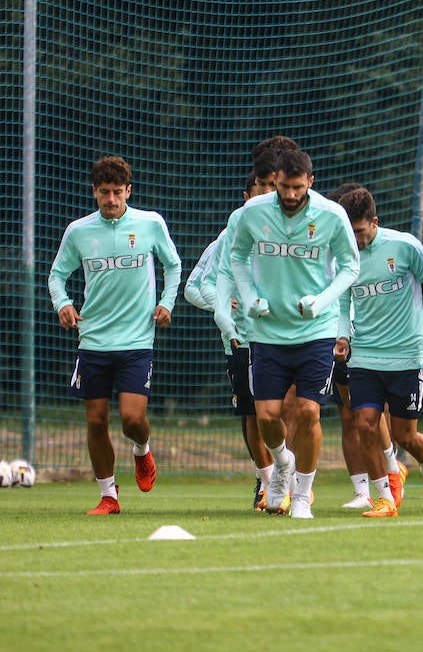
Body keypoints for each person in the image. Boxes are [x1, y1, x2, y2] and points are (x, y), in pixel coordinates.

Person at [230, 148, 360, 519]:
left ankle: (302, 495)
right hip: (267, 332)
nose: (290, 195)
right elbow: (237, 257)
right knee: (268, 417)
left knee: (308, 411)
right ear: (275, 184)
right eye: (284, 187)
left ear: (310, 183)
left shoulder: (332, 216)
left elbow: (350, 268)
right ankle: (282, 463)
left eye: (297, 188)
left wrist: (322, 302)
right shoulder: (251, 214)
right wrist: (250, 296)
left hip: (315, 331)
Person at [48, 156, 182, 515]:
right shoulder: (78, 231)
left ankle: (142, 450)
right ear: (94, 192)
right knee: (95, 420)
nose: (111, 199)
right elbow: (57, 275)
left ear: (128, 191)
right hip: (93, 339)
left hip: (138, 340)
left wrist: (167, 302)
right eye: (104, 192)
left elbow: (173, 264)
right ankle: (109, 495)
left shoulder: (150, 224)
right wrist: (62, 302)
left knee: (133, 420)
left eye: (117, 192)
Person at [335, 186, 423, 517]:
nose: (355, 239)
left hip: (406, 356)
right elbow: (343, 301)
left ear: (375, 222)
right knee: (365, 423)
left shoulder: (404, 246)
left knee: (405, 435)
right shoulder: (344, 255)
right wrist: (343, 336)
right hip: (365, 355)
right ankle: (384, 498)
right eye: (348, 232)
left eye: (359, 231)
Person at [184, 169, 278, 509]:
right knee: (252, 414)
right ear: (246, 196)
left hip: (284, 336)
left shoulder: (290, 233)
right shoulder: (228, 237)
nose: (267, 194)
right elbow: (194, 288)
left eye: (273, 187)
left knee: (285, 411)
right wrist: (222, 302)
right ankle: (266, 481)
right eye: (260, 188)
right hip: (242, 340)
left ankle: (290, 478)